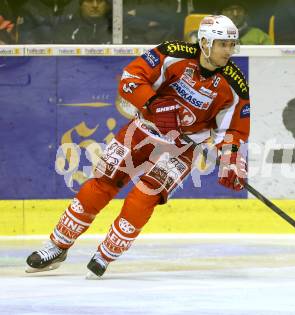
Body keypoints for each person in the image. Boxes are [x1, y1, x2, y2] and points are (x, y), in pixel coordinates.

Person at [25, 15, 250, 278]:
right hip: (142, 130)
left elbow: (234, 129)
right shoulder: (172, 53)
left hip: (183, 148)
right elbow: (131, 77)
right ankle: (57, 245)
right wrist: (154, 104)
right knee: (100, 185)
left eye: (232, 45)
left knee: (144, 196)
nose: (229, 51)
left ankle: (105, 254)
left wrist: (231, 159)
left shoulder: (235, 84)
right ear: (204, 42)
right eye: (222, 43)